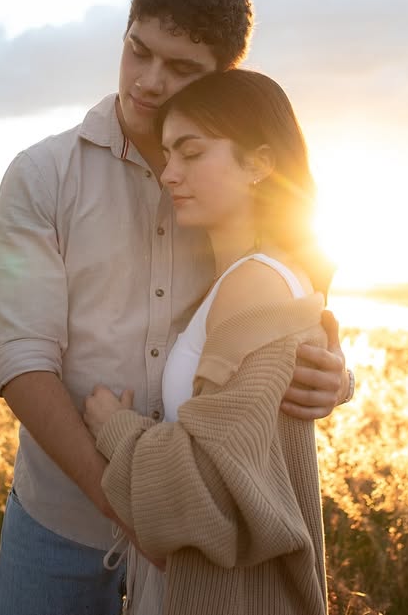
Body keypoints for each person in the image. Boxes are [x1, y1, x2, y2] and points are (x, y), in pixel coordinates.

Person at [0, 0, 352, 615]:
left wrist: (335, 370)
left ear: (224, 79)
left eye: (182, 69)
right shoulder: (41, 176)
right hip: (59, 521)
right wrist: (127, 502)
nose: (150, 82)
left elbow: (286, 298)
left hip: (201, 544)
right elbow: (23, 362)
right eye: (138, 50)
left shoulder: (234, 189)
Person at [82, 69, 332, 614]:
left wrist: (116, 431)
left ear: (259, 163)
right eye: (168, 153)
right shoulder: (246, 278)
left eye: (191, 153)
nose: (170, 173)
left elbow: (219, 484)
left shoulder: (255, 284)